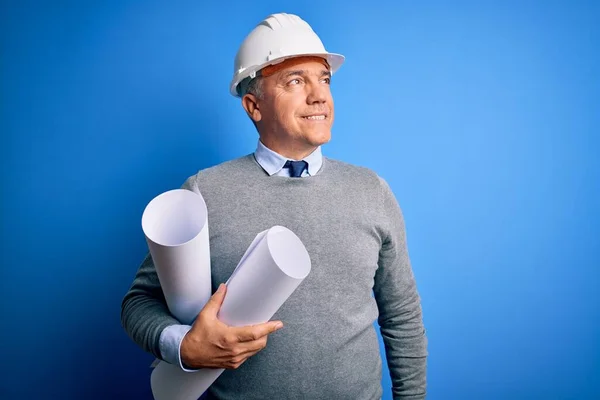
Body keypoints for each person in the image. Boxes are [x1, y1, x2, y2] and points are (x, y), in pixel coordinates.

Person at [121, 12, 428, 399]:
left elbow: (402, 318)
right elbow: (139, 303)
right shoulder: (205, 192)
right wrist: (182, 346)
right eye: (295, 81)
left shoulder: (371, 190)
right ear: (254, 106)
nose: (319, 95)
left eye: (324, 79)